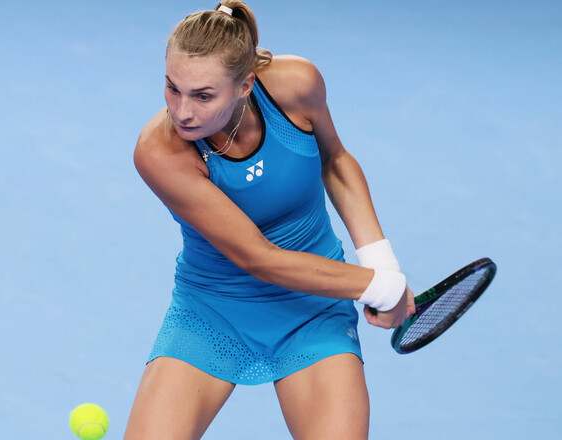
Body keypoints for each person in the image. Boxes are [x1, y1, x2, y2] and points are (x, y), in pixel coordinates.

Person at [126, 1, 415, 439]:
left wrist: (382, 262)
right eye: (172, 88)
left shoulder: (297, 84)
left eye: (203, 96)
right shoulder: (158, 151)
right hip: (212, 312)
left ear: (245, 84)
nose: (182, 111)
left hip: (312, 308)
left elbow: (336, 161)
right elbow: (259, 258)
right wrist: (381, 287)